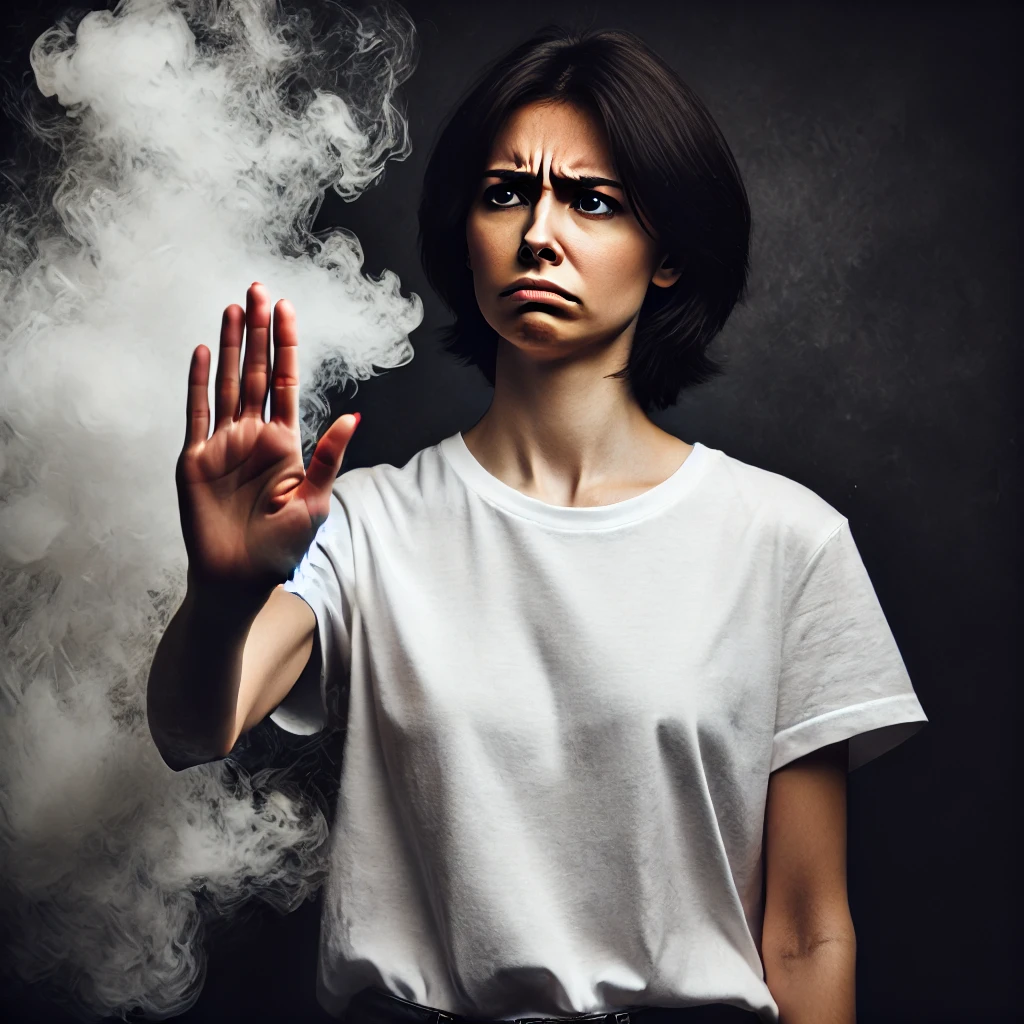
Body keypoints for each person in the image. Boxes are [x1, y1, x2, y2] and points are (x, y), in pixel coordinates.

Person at [147, 24, 928, 1024]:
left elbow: (808, 929)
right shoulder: (365, 523)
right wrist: (222, 595)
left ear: (669, 257)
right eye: (506, 191)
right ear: (463, 230)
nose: (538, 233)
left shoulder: (785, 540)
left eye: (593, 200)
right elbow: (190, 730)